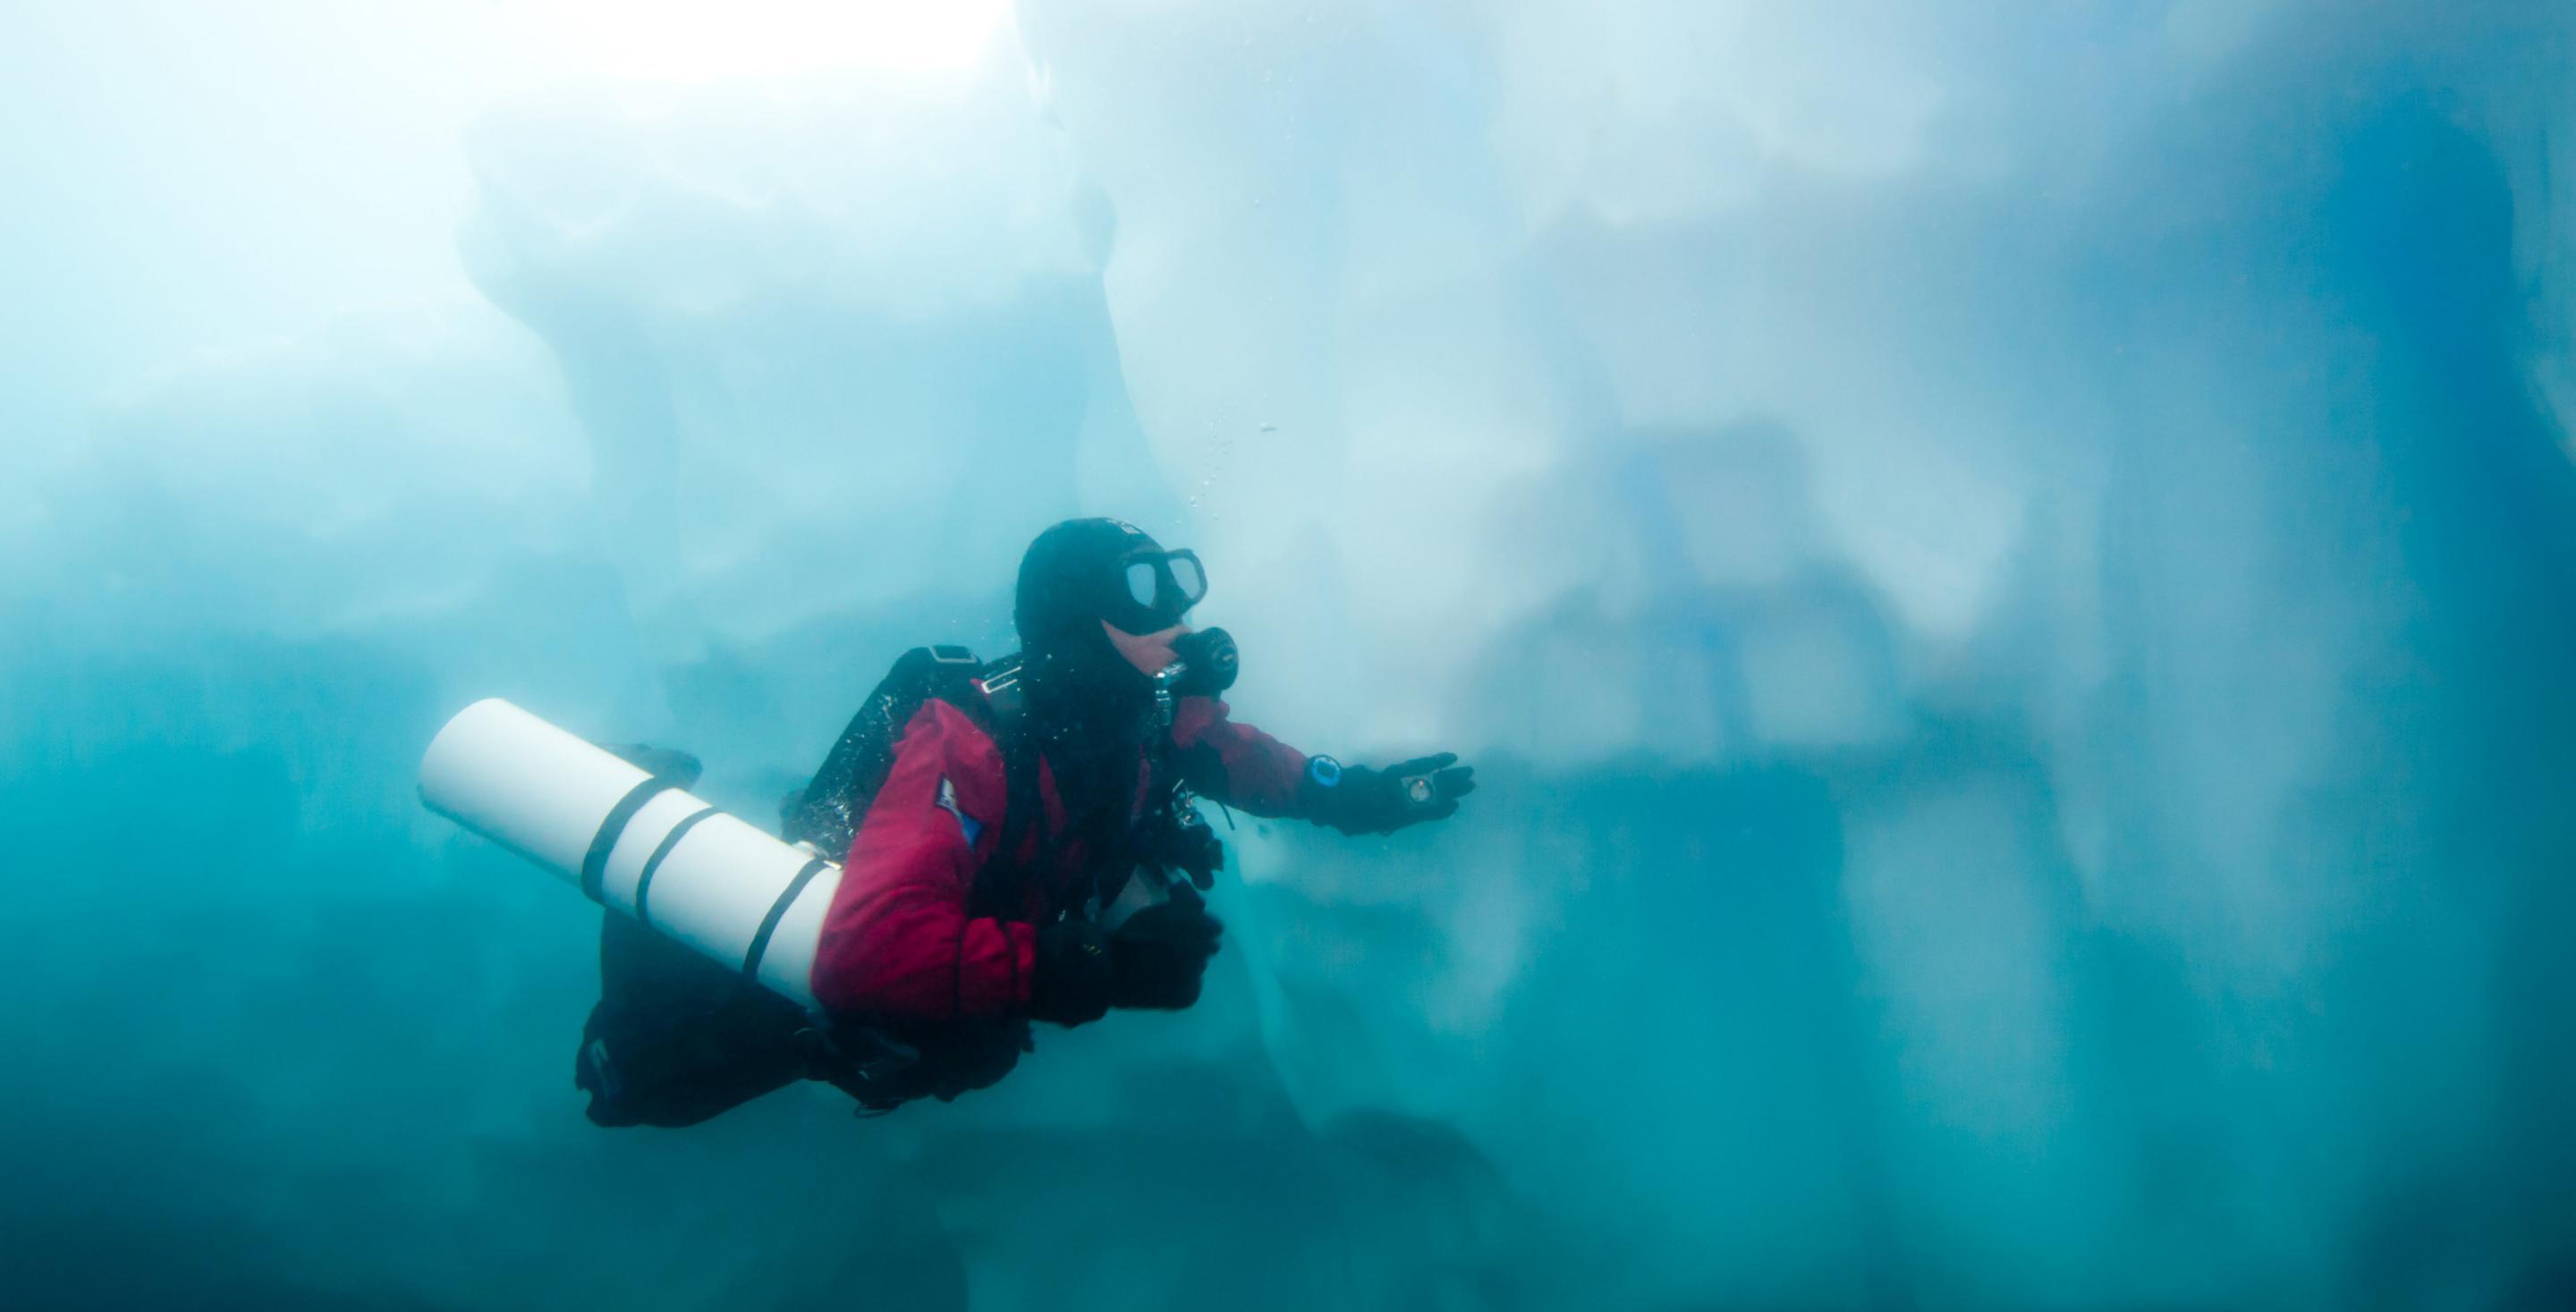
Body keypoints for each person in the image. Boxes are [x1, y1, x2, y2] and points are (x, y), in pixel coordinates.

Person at [575, 518, 1474, 1123]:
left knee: (950, 1051)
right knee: (641, 1081)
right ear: (1078, 622)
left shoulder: (1147, 711)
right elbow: (866, 950)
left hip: (982, 932)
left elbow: (1238, 758)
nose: (1178, 616)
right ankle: (637, 799)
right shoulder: (965, 744)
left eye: (1177, 588)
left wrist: (1360, 798)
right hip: (841, 946)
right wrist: (1089, 967)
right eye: (1143, 593)